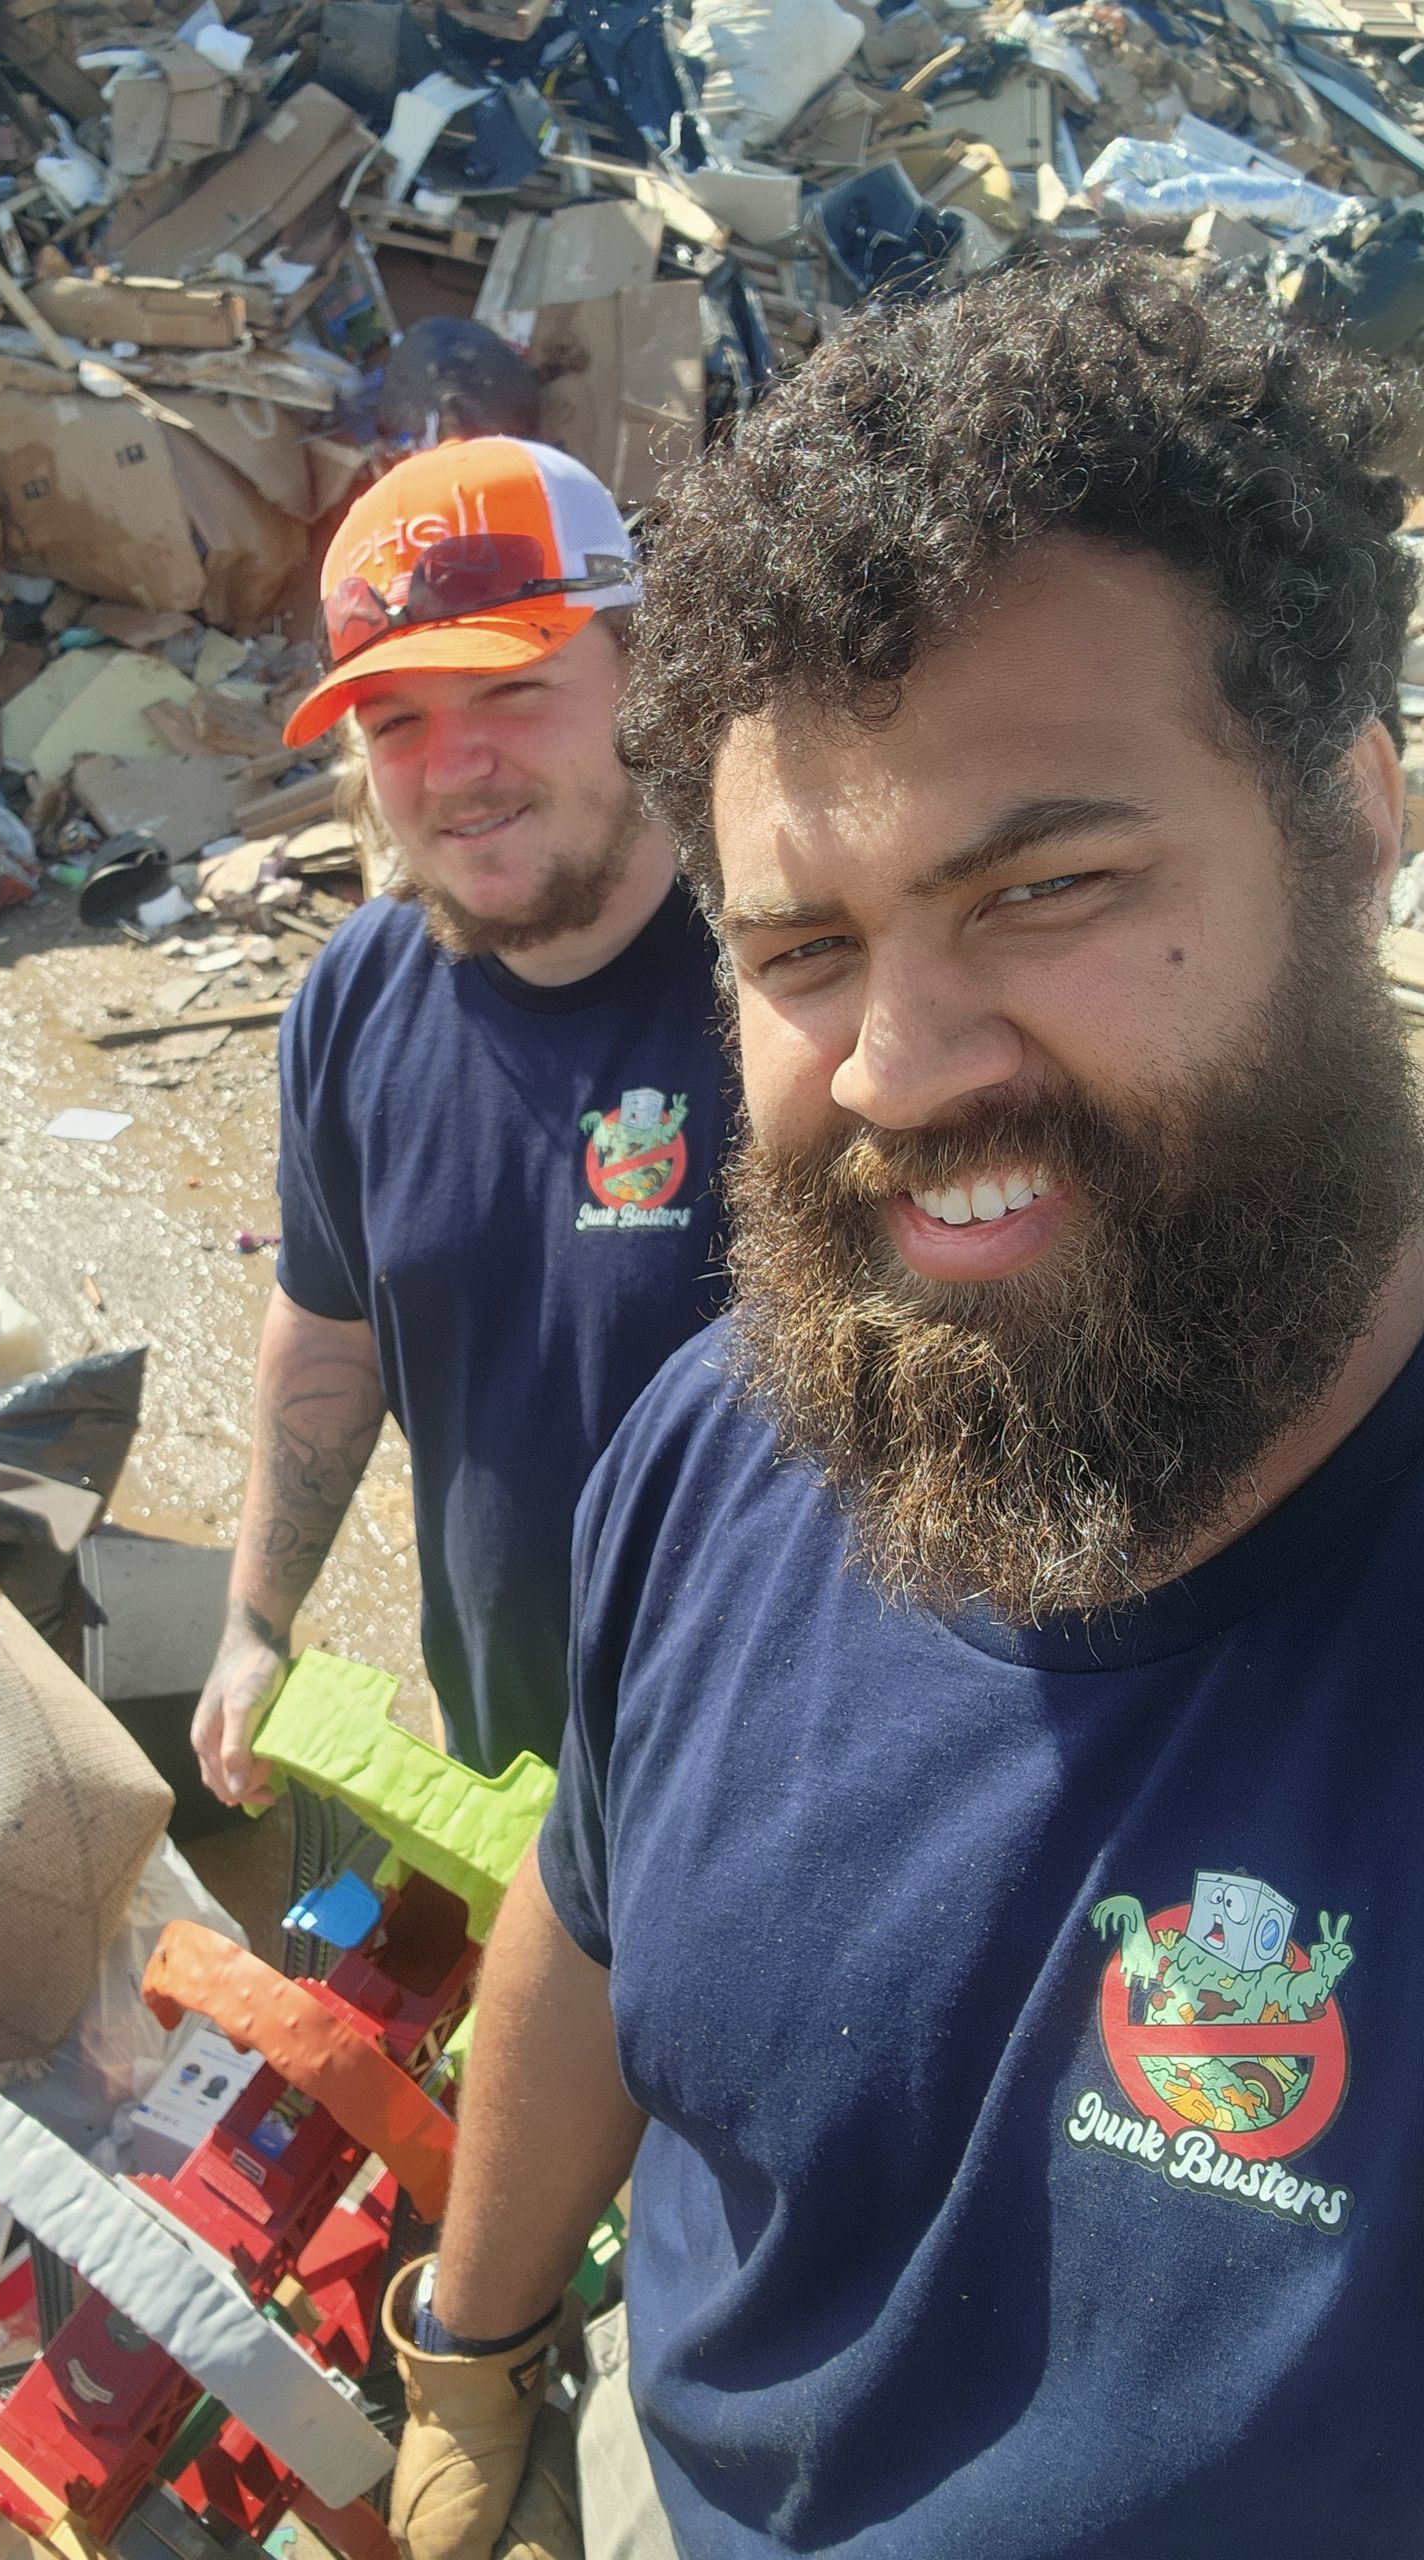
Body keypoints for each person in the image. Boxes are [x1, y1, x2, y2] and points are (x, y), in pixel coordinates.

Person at [390, 253, 1424, 2557]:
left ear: (1354, 824)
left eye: (1049, 885)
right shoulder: (730, 1441)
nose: (895, 1068)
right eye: (802, 951)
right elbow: (593, 1908)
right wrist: (472, 2349)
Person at [192, 436, 730, 1804]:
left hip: (767, 1798)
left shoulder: (791, 984)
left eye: (511, 690)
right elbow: (328, 1325)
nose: (456, 768)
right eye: (399, 725)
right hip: (512, 1771)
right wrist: (257, 1622)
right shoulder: (355, 1000)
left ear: (642, 671)